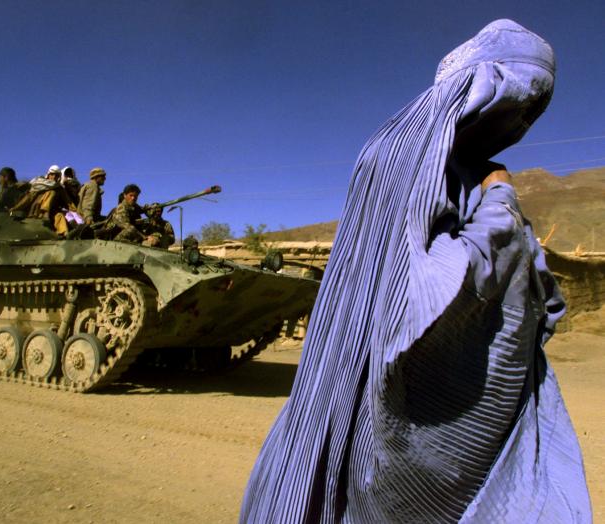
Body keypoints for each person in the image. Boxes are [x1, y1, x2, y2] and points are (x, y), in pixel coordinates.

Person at [240, 19, 591, 523]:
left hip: (343, 372)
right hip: (395, 405)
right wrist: (500, 201)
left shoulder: (393, 149)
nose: (516, 123)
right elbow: (439, 288)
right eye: (514, 103)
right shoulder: (431, 159)